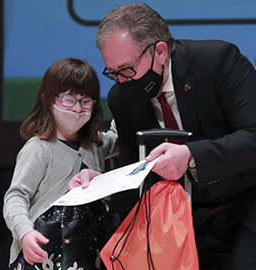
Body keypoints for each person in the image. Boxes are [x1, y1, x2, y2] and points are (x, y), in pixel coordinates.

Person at [70, 2, 256, 269]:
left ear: (160, 51)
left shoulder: (217, 62)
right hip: (184, 221)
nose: (122, 82)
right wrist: (104, 186)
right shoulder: (121, 99)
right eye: (113, 73)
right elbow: (138, 170)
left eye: (127, 70)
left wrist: (191, 156)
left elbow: (253, 137)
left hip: (246, 206)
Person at [3, 58, 118, 269]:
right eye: (68, 99)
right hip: (43, 254)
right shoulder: (39, 148)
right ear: (48, 99)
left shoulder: (96, 145)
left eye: (85, 101)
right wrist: (25, 232)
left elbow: (123, 134)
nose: (77, 108)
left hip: (89, 254)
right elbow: (16, 196)